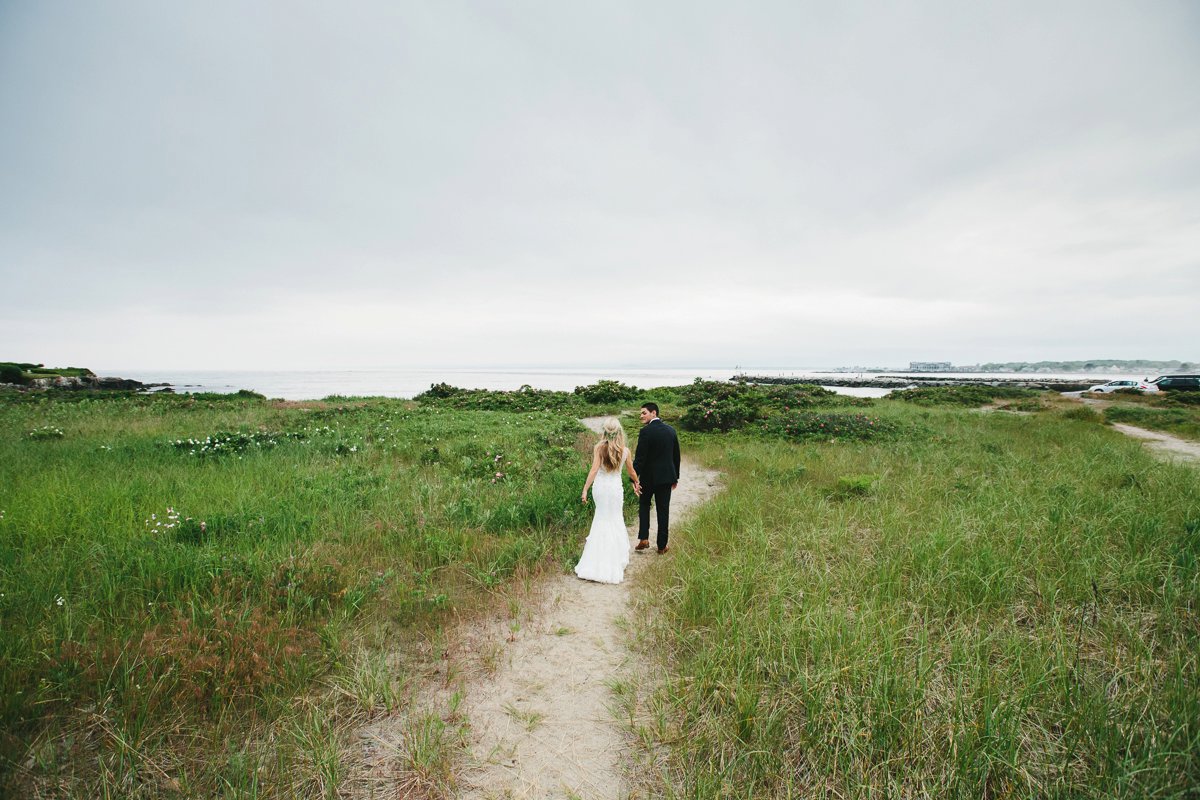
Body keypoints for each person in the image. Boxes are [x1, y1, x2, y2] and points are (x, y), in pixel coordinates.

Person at [576, 417, 640, 583]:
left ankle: (594, 561)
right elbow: (632, 472)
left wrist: (585, 489)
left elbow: (594, 470)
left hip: (601, 489)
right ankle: (614, 559)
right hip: (615, 490)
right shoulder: (625, 450)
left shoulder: (598, 448)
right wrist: (636, 483)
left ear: (604, 431)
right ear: (619, 432)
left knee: (601, 519)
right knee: (615, 519)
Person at [632, 402, 680, 554]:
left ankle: (644, 538)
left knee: (644, 505)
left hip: (648, 478)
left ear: (654, 413)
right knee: (663, 510)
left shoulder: (645, 432)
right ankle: (661, 546)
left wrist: (634, 479)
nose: (641, 416)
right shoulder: (671, 431)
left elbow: (640, 458)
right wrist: (675, 478)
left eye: (644, 413)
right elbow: (676, 457)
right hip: (666, 478)